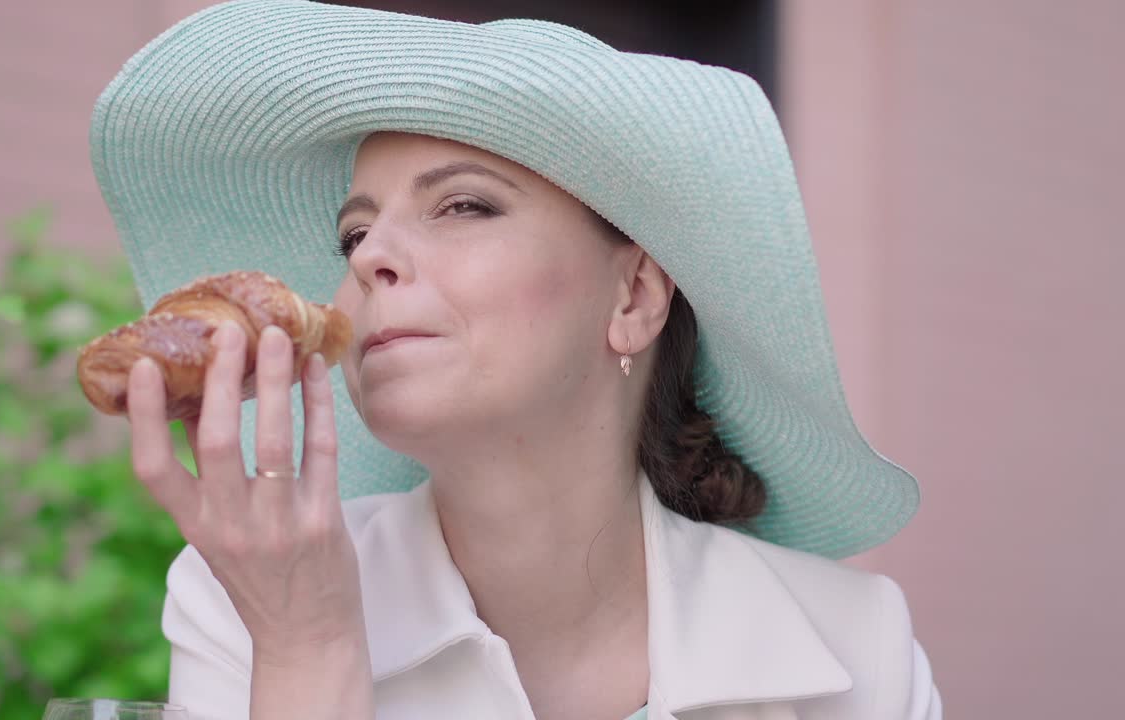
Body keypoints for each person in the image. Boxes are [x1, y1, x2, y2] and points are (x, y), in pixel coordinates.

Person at [91, 2, 943, 719]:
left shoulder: (858, 647)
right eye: (355, 231)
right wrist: (306, 651)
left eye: (463, 206)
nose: (367, 257)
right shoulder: (243, 601)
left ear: (635, 297)